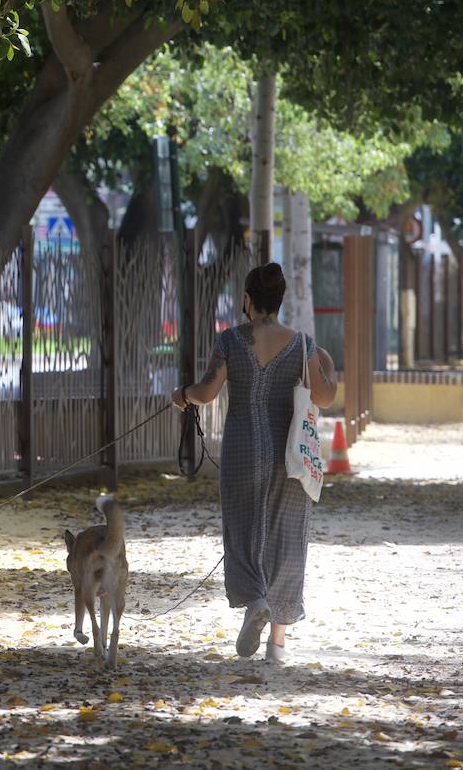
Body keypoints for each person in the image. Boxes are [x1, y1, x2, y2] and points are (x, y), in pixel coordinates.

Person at [169, 262, 337, 664]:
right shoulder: (302, 345)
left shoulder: (231, 340)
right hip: (288, 454)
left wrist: (182, 395)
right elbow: (325, 397)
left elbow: (207, 392)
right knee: (288, 536)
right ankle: (277, 644)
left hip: (242, 449)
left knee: (243, 531)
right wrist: (328, 366)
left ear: (247, 299)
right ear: (279, 300)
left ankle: (255, 602)